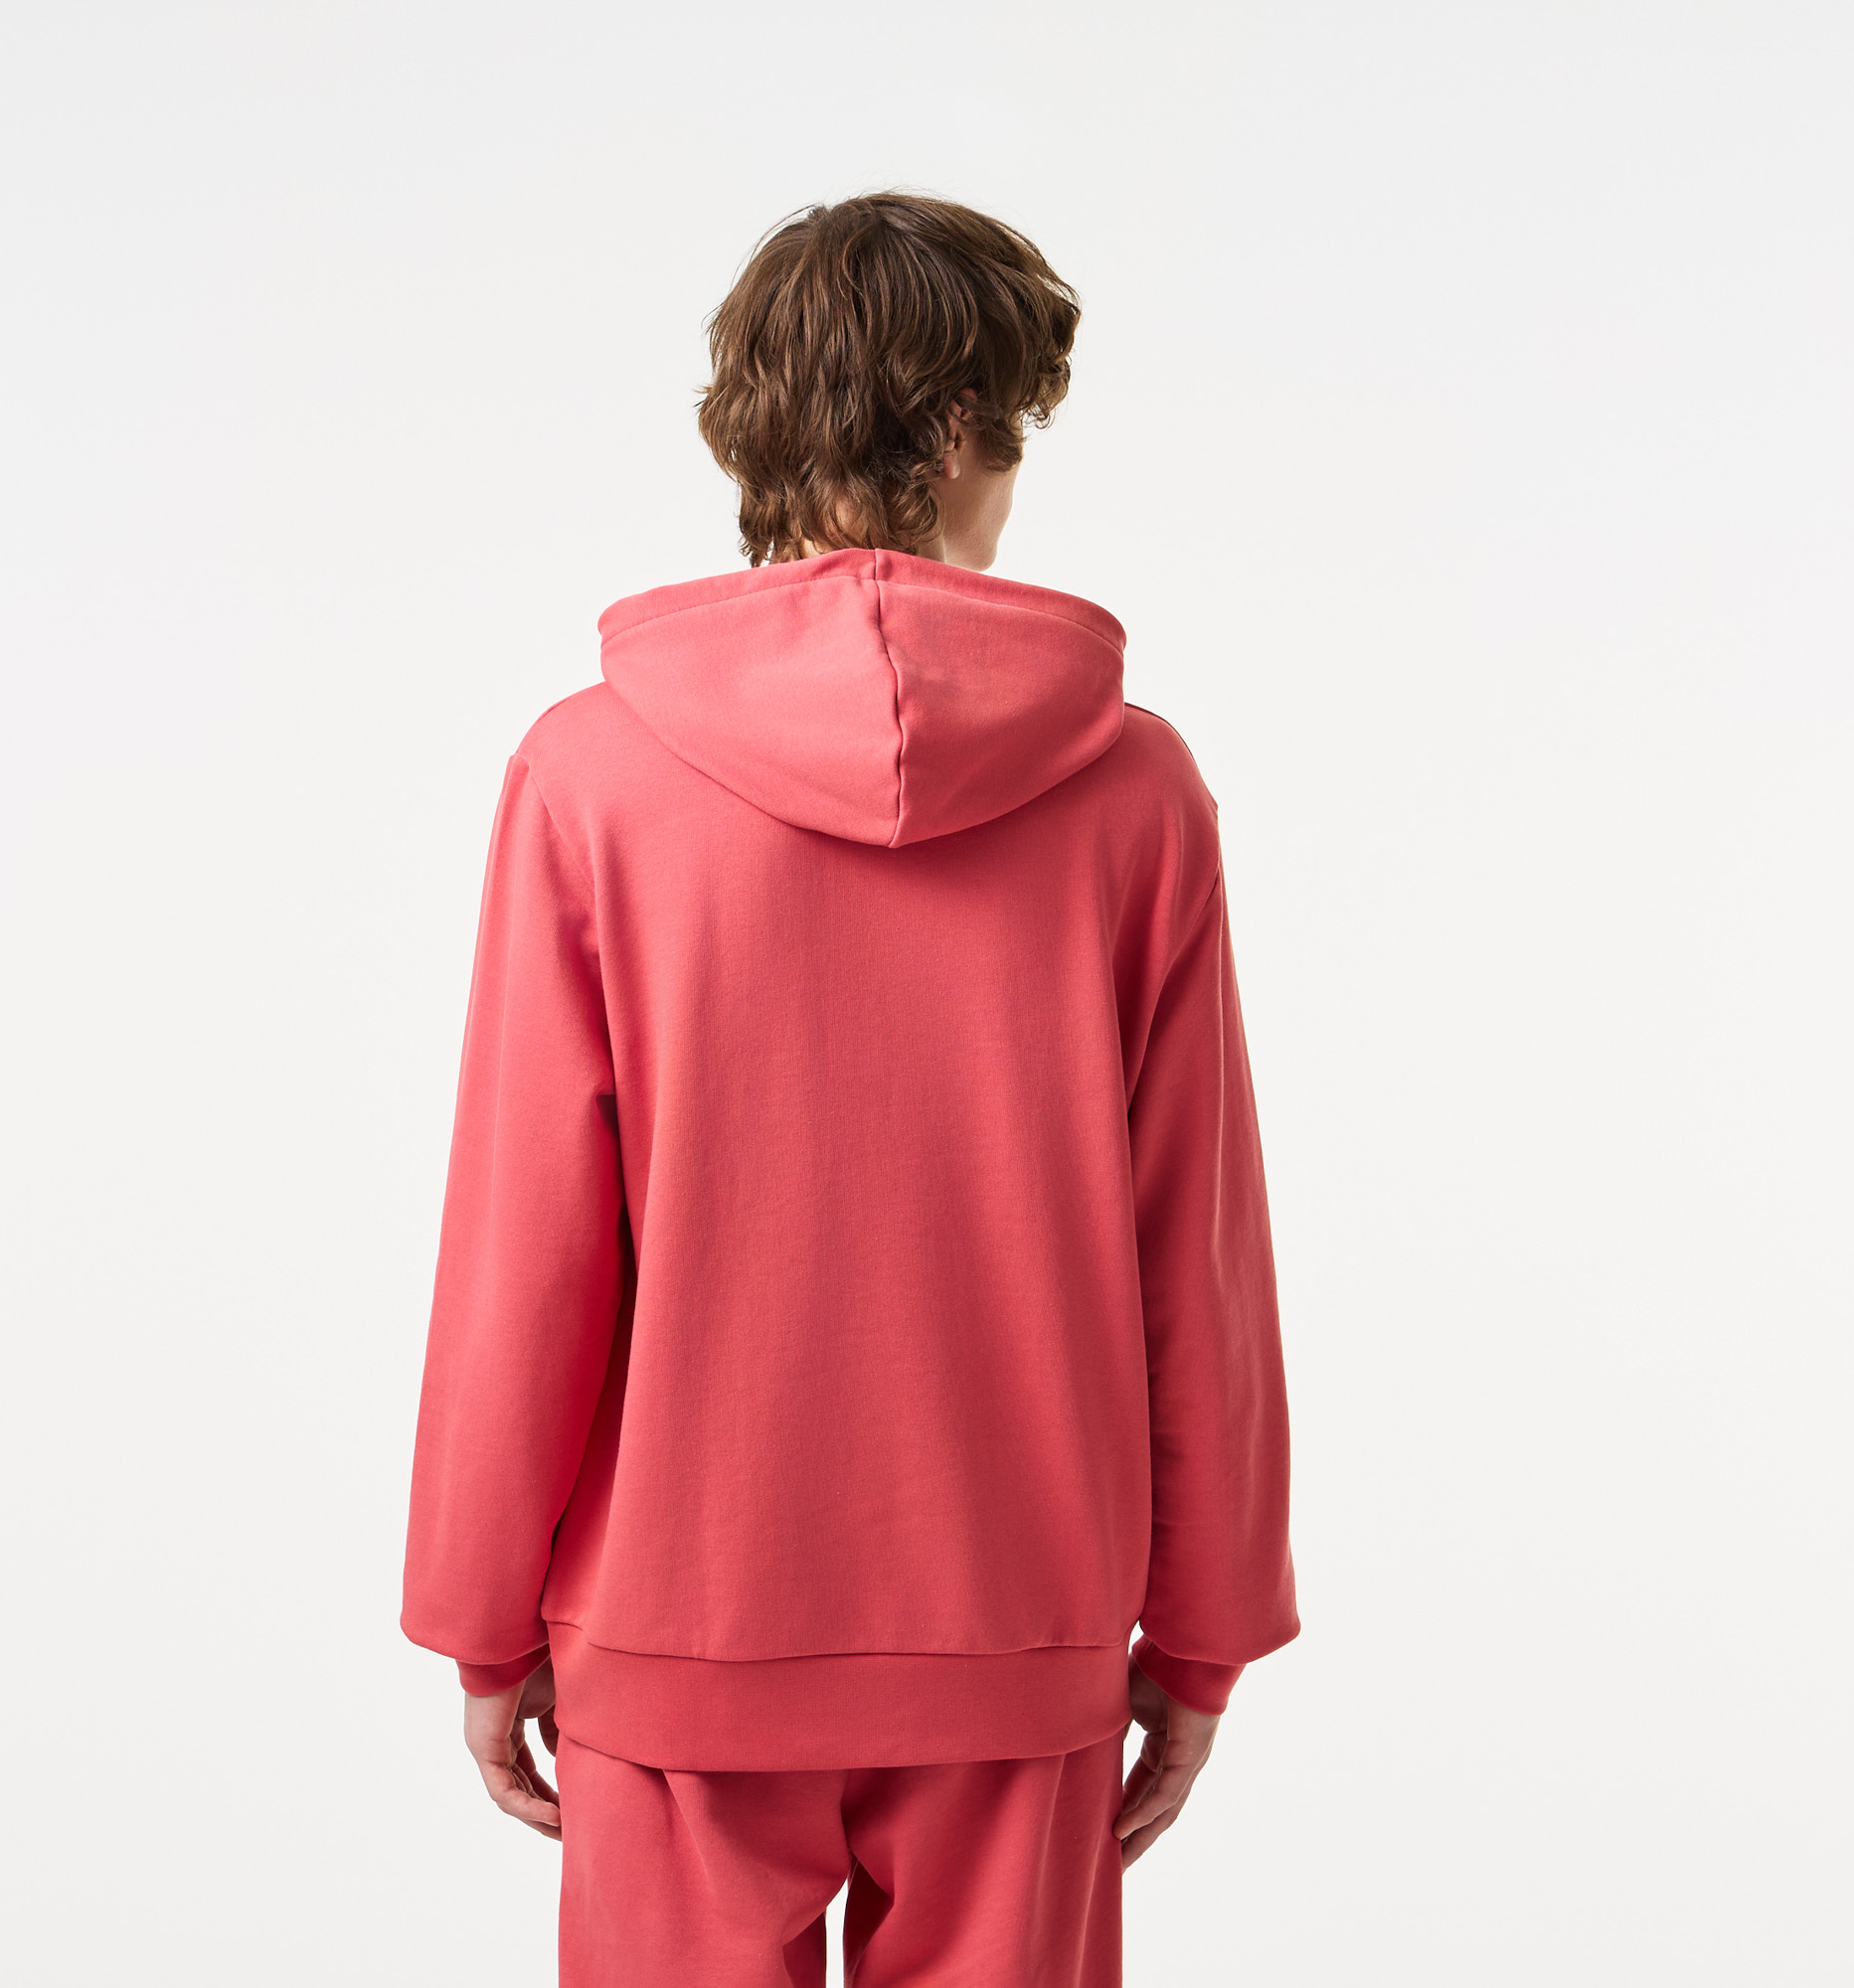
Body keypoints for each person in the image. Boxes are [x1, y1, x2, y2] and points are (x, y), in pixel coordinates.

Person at [402, 192, 1298, 1987]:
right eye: (1015, 426)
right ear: (962, 430)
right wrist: (1202, 1628)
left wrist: (481, 1610)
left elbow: (530, 1245)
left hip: (679, 1622)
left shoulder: (591, 779)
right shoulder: (1135, 795)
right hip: (1017, 1629)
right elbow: (1191, 1253)